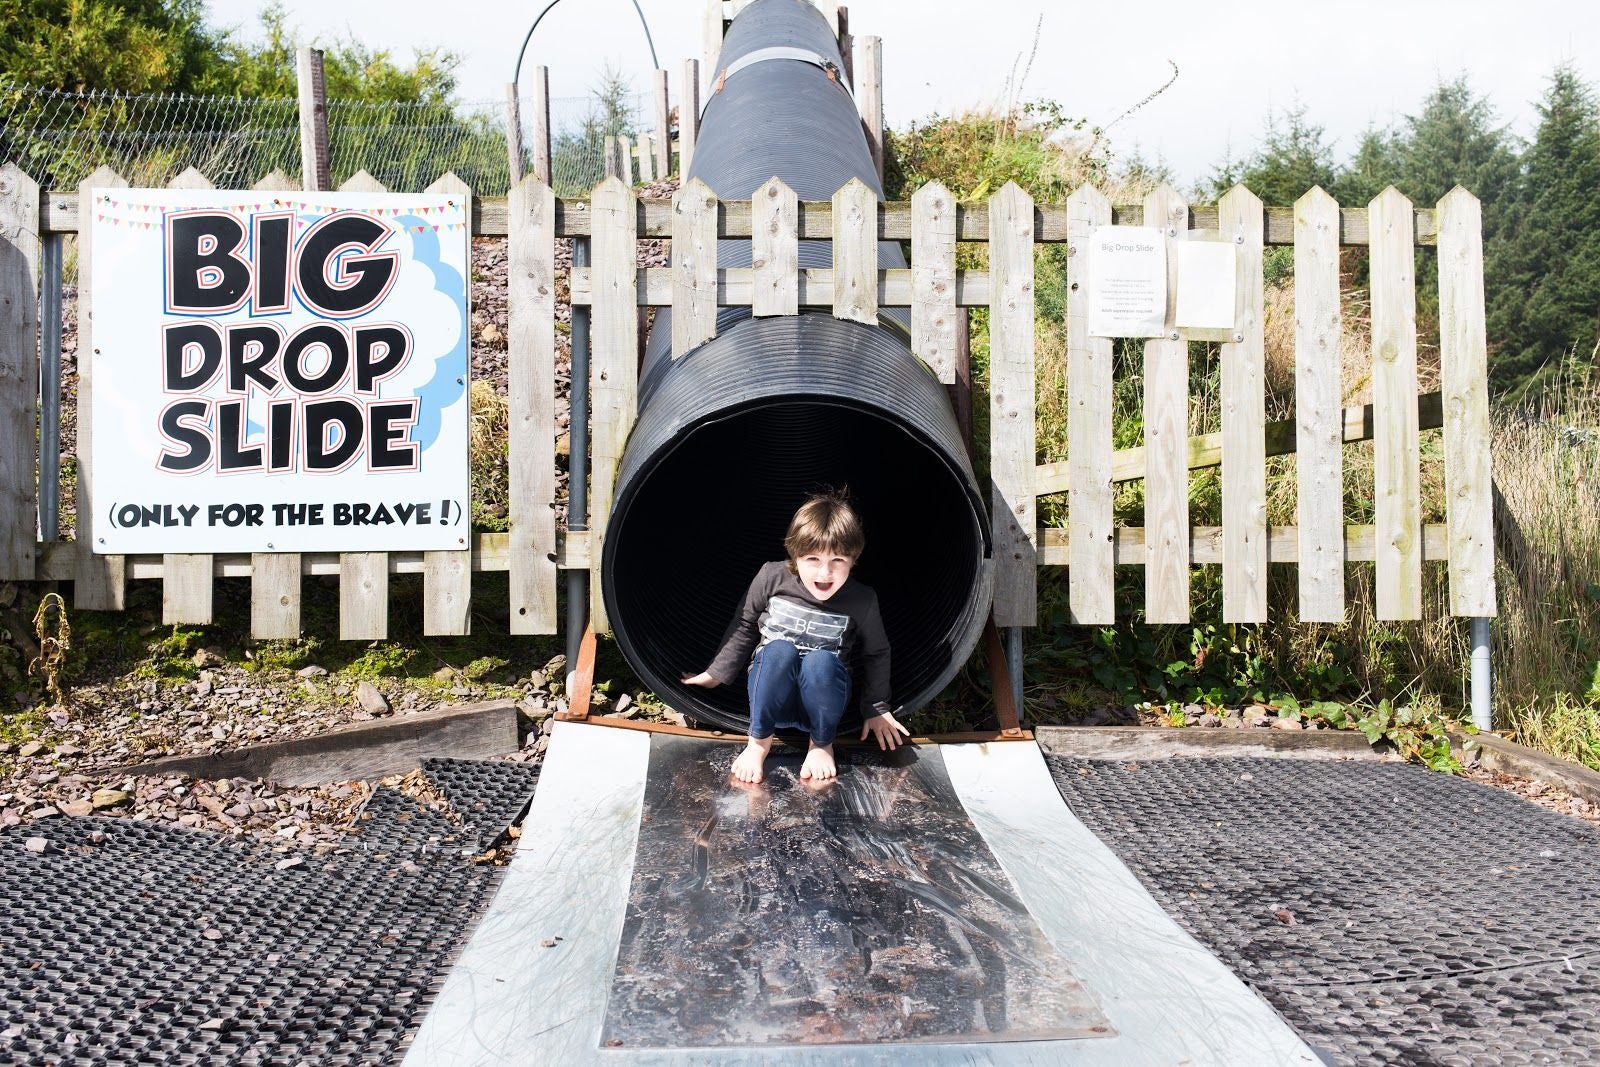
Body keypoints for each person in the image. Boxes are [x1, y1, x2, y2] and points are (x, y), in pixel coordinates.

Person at [681, 489, 909, 784]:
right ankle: (758, 742)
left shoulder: (861, 600)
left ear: (854, 559)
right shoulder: (772, 577)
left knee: (821, 662)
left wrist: (877, 707)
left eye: (838, 560)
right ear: (795, 554)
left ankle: (821, 745)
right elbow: (746, 624)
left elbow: (876, 653)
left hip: (823, 701)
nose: (825, 572)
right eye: (813, 558)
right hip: (771, 696)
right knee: (778, 651)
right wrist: (716, 673)